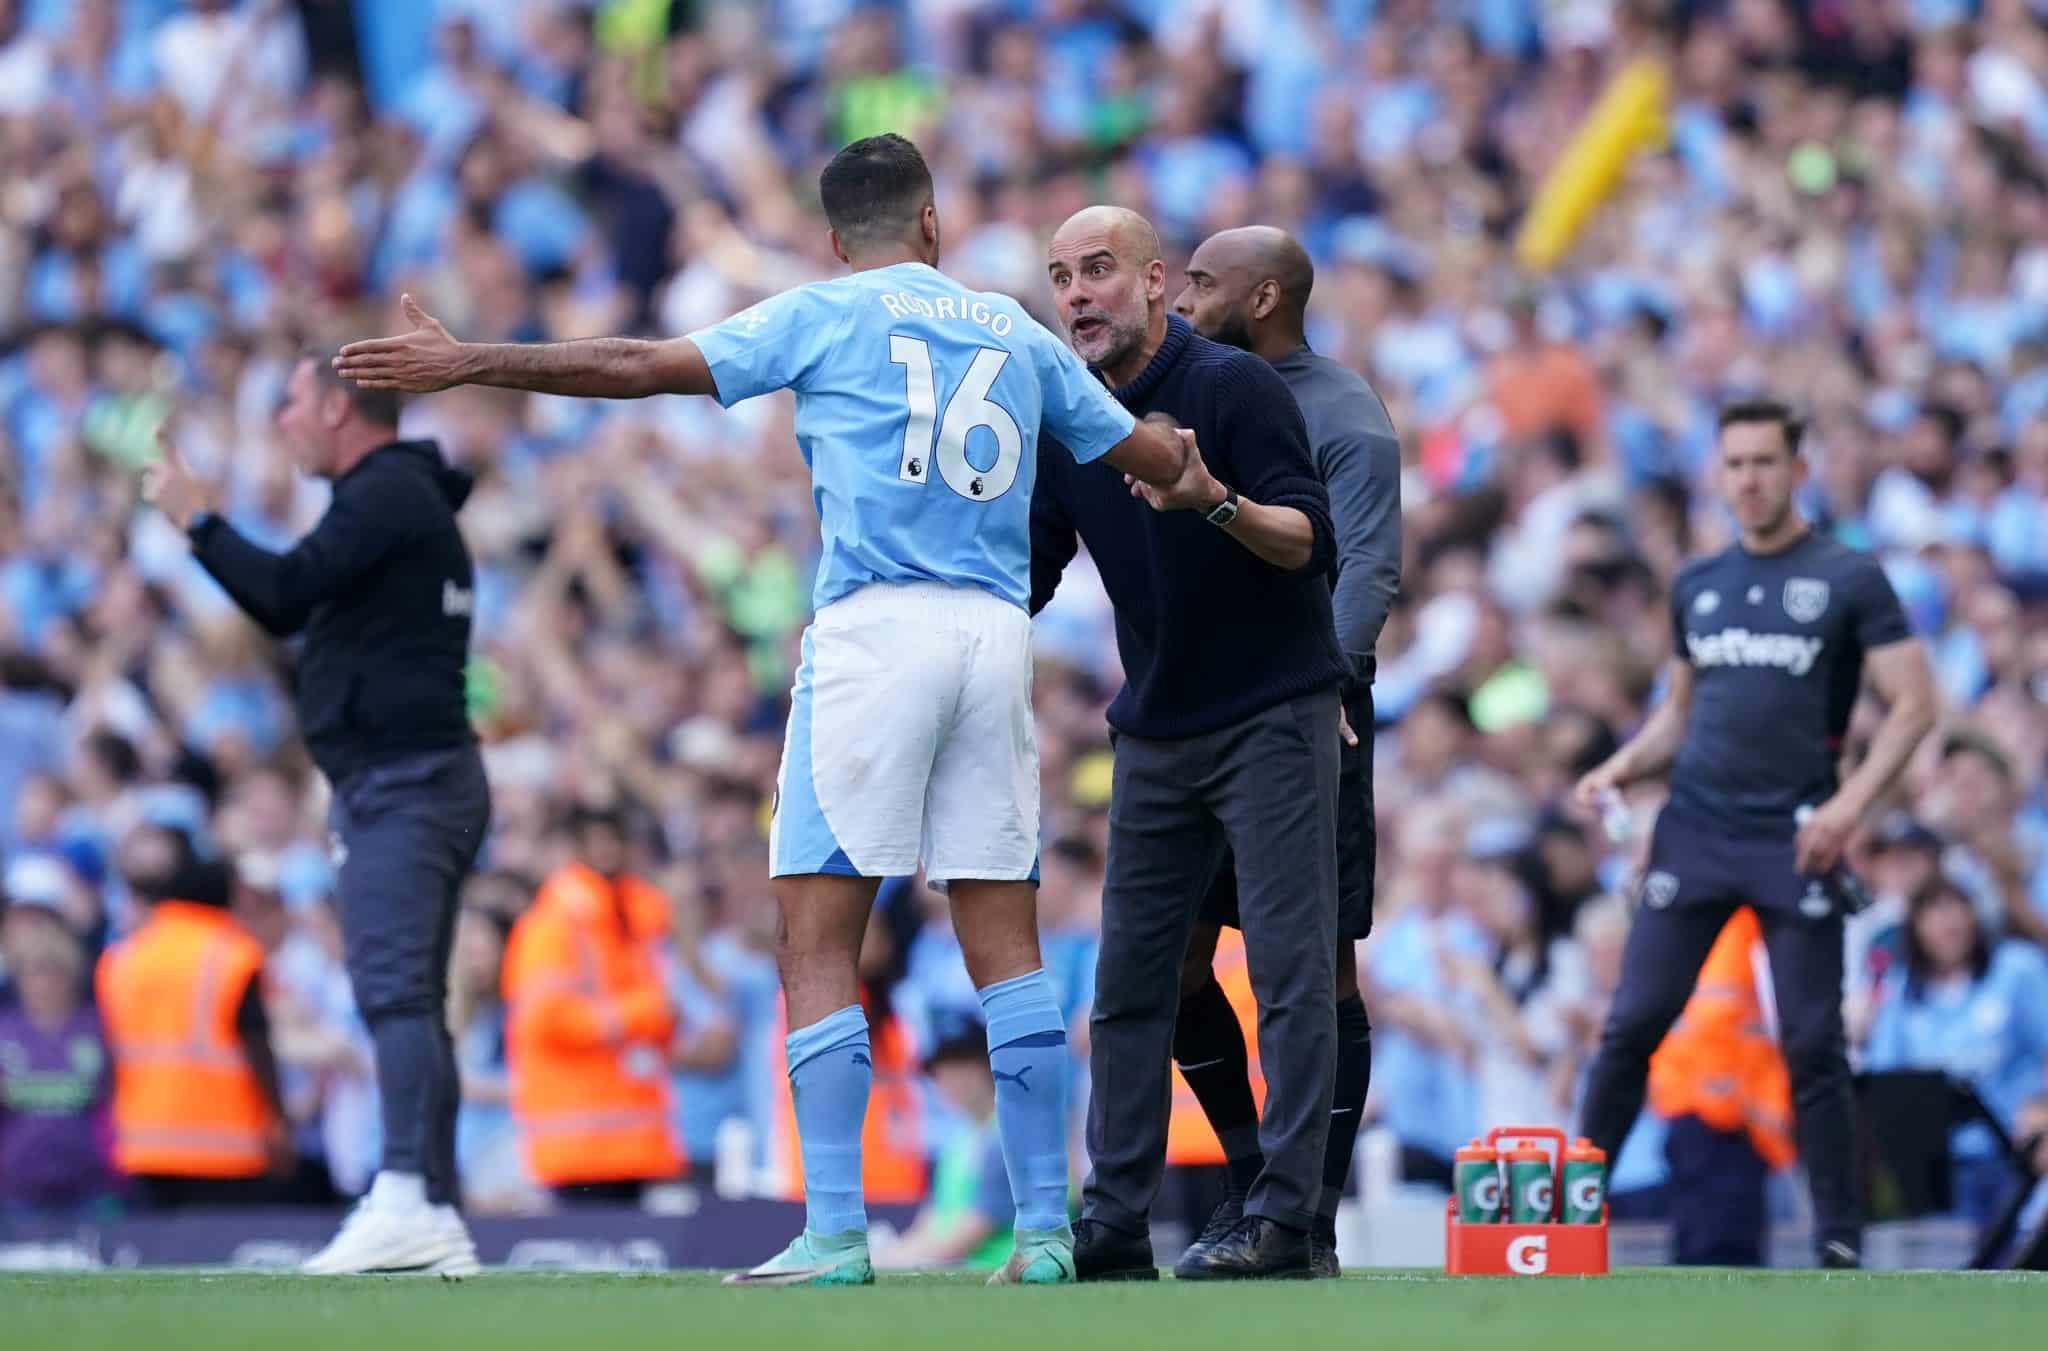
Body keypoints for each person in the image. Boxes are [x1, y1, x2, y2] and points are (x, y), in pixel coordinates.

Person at [334, 134, 1192, 1289]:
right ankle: (1046, 1230)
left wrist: (471, 360)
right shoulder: (1013, 327)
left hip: (873, 629)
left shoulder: (825, 312)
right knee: (1006, 940)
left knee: (814, 932)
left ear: (838, 241)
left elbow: (638, 363)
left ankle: (834, 1232)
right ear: (932, 226)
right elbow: (1143, 455)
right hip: (995, 637)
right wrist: (1199, 466)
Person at [1032, 205, 1347, 1280]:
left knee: (1290, 971)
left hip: (1271, 710)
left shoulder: (1230, 387)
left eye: (1099, 270)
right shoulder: (1067, 417)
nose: (1076, 292)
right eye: (1060, 275)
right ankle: (1114, 1222)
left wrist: (1209, 498)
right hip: (1156, 726)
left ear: (1155, 281)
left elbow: (1310, 543)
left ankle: (1285, 1220)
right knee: (1129, 980)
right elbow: (1025, 574)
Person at [141, 354, 490, 1275]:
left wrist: (198, 518)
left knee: (394, 992)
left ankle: (409, 1190)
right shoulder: (397, 499)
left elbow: (285, 591)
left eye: (289, 402)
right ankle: (435, 1210)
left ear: (338, 407)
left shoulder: (383, 495)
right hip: (410, 777)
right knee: (411, 997)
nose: (282, 421)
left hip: (404, 782)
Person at [1572, 398, 1939, 1268]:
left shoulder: (1848, 578)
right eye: (1734, 462)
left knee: (1813, 1043)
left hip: (1798, 834)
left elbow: (1917, 704)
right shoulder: (1699, 582)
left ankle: (1840, 1239)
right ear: (1719, 472)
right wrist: (1622, 767)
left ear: (1797, 469)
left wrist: (1851, 810)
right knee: (1632, 1025)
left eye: (1766, 461)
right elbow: (1681, 714)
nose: (1750, 478)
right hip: (1695, 830)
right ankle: (1567, 1215)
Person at [1168, 224, 1402, 1275]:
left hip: (1307, 714)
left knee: (1313, 972)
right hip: (1195, 711)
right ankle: (1253, 1180)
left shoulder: (1344, 416)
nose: (1183, 293)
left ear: (1263, 296)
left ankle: (1304, 1216)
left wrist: (1330, 682)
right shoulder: (1187, 388)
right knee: (1171, 957)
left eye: (1205, 281)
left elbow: (1367, 570)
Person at [95, 823, 288, 1210]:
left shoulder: (122, 957)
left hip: (144, 1140)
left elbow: (112, 1053)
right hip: (226, 1142)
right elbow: (256, 1045)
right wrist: (278, 1120)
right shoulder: (234, 956)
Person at [502, 803, 682, 1205]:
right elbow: (545, 1019)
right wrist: (645, 1012)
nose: (609, 852)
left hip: (637, 1137)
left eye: (615, 841)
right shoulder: (550, 926)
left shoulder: (642, 918)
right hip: (576, 1141)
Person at [1863, 878, 2048, 1230]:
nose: (1948, 923)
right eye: (1933, 911)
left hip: (2014, 1155)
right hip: (1937, 1167)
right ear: (1915, 926)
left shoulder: (2017, 970)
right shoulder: (1904, 988)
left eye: (1957, 908)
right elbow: (1883, 1074)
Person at [873, 1022, 1016, 1273]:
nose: (948, 1081)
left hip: (997, 1275)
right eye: (940, 1072)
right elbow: (930, 1222)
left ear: (988, 1067)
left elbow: (970, 1233)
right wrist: (888, 1254)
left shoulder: (1009, 1135)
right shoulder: (959, 1139)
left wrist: (889, 1260)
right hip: (960, 1271)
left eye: (960, 1068)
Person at [0, 915, 116, 1218]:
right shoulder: (6, 1033)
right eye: (34, 973)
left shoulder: (95, 1029)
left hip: (90, 1185)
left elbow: (114, 1100)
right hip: (17, 1186)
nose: (44, 984)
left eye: (54, 972)